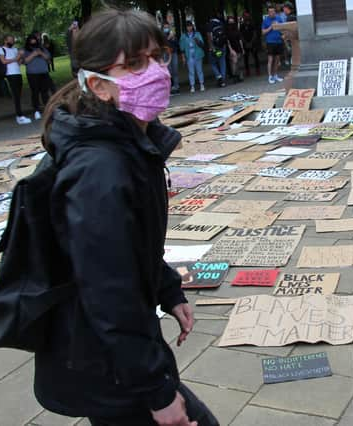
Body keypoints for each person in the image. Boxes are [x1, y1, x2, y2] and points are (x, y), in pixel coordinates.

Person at [36, 8, 217, 426]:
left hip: (115, 356)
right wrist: (158, 393)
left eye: (158, 56)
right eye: (134, 63)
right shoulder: (102, 170)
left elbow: (130, 246)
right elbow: (109, 292)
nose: (155, 71)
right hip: (104, 361)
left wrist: (168, 289)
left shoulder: (131, 139)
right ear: (99, 85)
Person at [0, 35, 32, 125]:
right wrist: (16, 58)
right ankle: (20, 116)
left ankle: (19, 115)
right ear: (5, 40)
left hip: (18, 73)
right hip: (10, 74)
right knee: (16, 94)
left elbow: (19, 63)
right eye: (10, 40)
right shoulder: (1, 49)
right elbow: (3, 61)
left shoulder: (15, 49)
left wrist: (21, 56)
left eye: (13, 40)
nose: (12, 42)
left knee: (19, 94)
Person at [23, 33, 51, 120]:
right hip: (32, 74)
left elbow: (48, 59)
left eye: (34, 40)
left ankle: (47, 110)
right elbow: (25, 62)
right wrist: (33, 54)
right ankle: (36, 110)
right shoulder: (26, 50)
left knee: (45, 92)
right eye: (31, 40)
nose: (33, 41)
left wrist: (41, 53)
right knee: (35, 92)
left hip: (44, 73)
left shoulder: (42, 49)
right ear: (28, 41)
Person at [180, 21, 206, 92]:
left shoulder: (197, 34)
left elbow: (202, 44)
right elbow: (181, 47)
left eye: (190, 26)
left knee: (199, 70)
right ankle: (192, 86)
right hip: (189, 56)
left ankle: (202, 84)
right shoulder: (183, 36)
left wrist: (197, 40)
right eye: (188, 26)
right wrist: (183, 57)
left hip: (198, 54)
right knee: (191, 71)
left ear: (192, 26)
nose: (189, 28)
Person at [262, 5, 285, 84]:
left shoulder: (279, 18)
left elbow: (283, 29)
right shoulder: (265, 20)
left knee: (277, 59)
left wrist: (283, 35)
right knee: (270, 60)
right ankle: (270, 76)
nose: (272, 13)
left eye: (273, 11)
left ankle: (275, 75)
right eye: (270, 12)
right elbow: (263, 32)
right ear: (268, 13)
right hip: (270, 42)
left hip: (279, 41)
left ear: (275, 11)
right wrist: (271, 27)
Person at [206, 13, 227, 87]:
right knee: (222, 62)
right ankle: (223, 81)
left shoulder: (209, 24)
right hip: (222, 46)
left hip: (215, 47)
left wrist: (211, 48)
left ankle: (218, 76)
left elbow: (209, 37)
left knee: (212, 63)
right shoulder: (221, 23)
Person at [164, 14, 181, 94]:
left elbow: (177, 44)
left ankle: (176, 87)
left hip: (173, 53)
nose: (166, 28)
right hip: (166, 54)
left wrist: (173, 38)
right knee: (168, 71)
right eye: (165, 27)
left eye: (167, 27)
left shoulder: (173, 33)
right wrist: (168, 38)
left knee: (175, 70)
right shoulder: (161, 35)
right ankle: (170, 87)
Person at [241, 11, 260, 76]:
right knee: (246, 58)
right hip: (245, 43)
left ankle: (258, 70)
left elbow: (255, 33)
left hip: (253, 43)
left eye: (247, 16)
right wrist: (245, 42)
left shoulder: (252, 24)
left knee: (255, 57)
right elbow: (241, 35)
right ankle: (247, 71)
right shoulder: (242, 25)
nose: (246, 17)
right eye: (245, 16)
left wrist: (251, 42)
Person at [226, 16, 244, 83]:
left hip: (238, 47)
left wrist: (242, 48)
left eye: (232, 21)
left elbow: (240, 40)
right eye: (230, 22)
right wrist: (231, 49)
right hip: (232, 48)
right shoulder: (227, 31)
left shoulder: (237, 30)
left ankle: (240, 76)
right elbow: (227, 41)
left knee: (239, 63)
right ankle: (234, 76)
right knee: (234, 63)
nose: (231, 23)